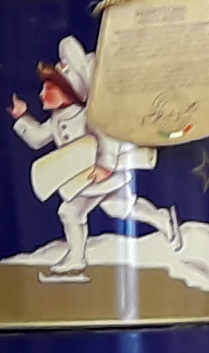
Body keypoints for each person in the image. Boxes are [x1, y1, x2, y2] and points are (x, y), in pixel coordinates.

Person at [13, 39, 173, 282]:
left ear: (67, 90)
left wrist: (105, 166)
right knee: (117, 206)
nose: (42, 94)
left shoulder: (90, 113)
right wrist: (22, 117)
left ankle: (76, 258)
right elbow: (37, 139)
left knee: (70, 212)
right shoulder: (57, 119)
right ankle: (161, 218)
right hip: (84, 178)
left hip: (97, 174)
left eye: (49, 89)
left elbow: (108, 136)